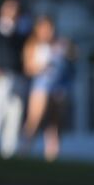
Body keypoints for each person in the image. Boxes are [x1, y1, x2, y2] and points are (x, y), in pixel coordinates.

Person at [21, 15, 70, 161]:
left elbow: (71, 60)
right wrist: (41, 66)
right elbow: (28, 67)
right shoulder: (33, 45)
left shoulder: (61, 44)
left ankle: (53, 155)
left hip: (59, 88)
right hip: (41, 87)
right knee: (35, 120)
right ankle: (24, 151)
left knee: (55, 124)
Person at [0, 0, 29, 157]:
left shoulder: (21, 31)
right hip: (3, 76)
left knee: (15, 113)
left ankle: (9, 149)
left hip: (18, 75)